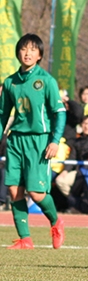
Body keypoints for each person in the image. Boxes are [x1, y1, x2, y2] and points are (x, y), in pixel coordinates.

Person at [1, 34, 66, 249]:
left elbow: (60, 112)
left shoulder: (47, 81)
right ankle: (25, 239)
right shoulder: (10, 82)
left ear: (39, 55)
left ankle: (56, 222)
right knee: (13, 190)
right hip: (16, 140)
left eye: (32, 49)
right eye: (23, 49)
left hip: (39, 142)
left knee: (37, 193)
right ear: (18, 52)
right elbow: (2, 115)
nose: (27, 53)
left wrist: (55, 140)